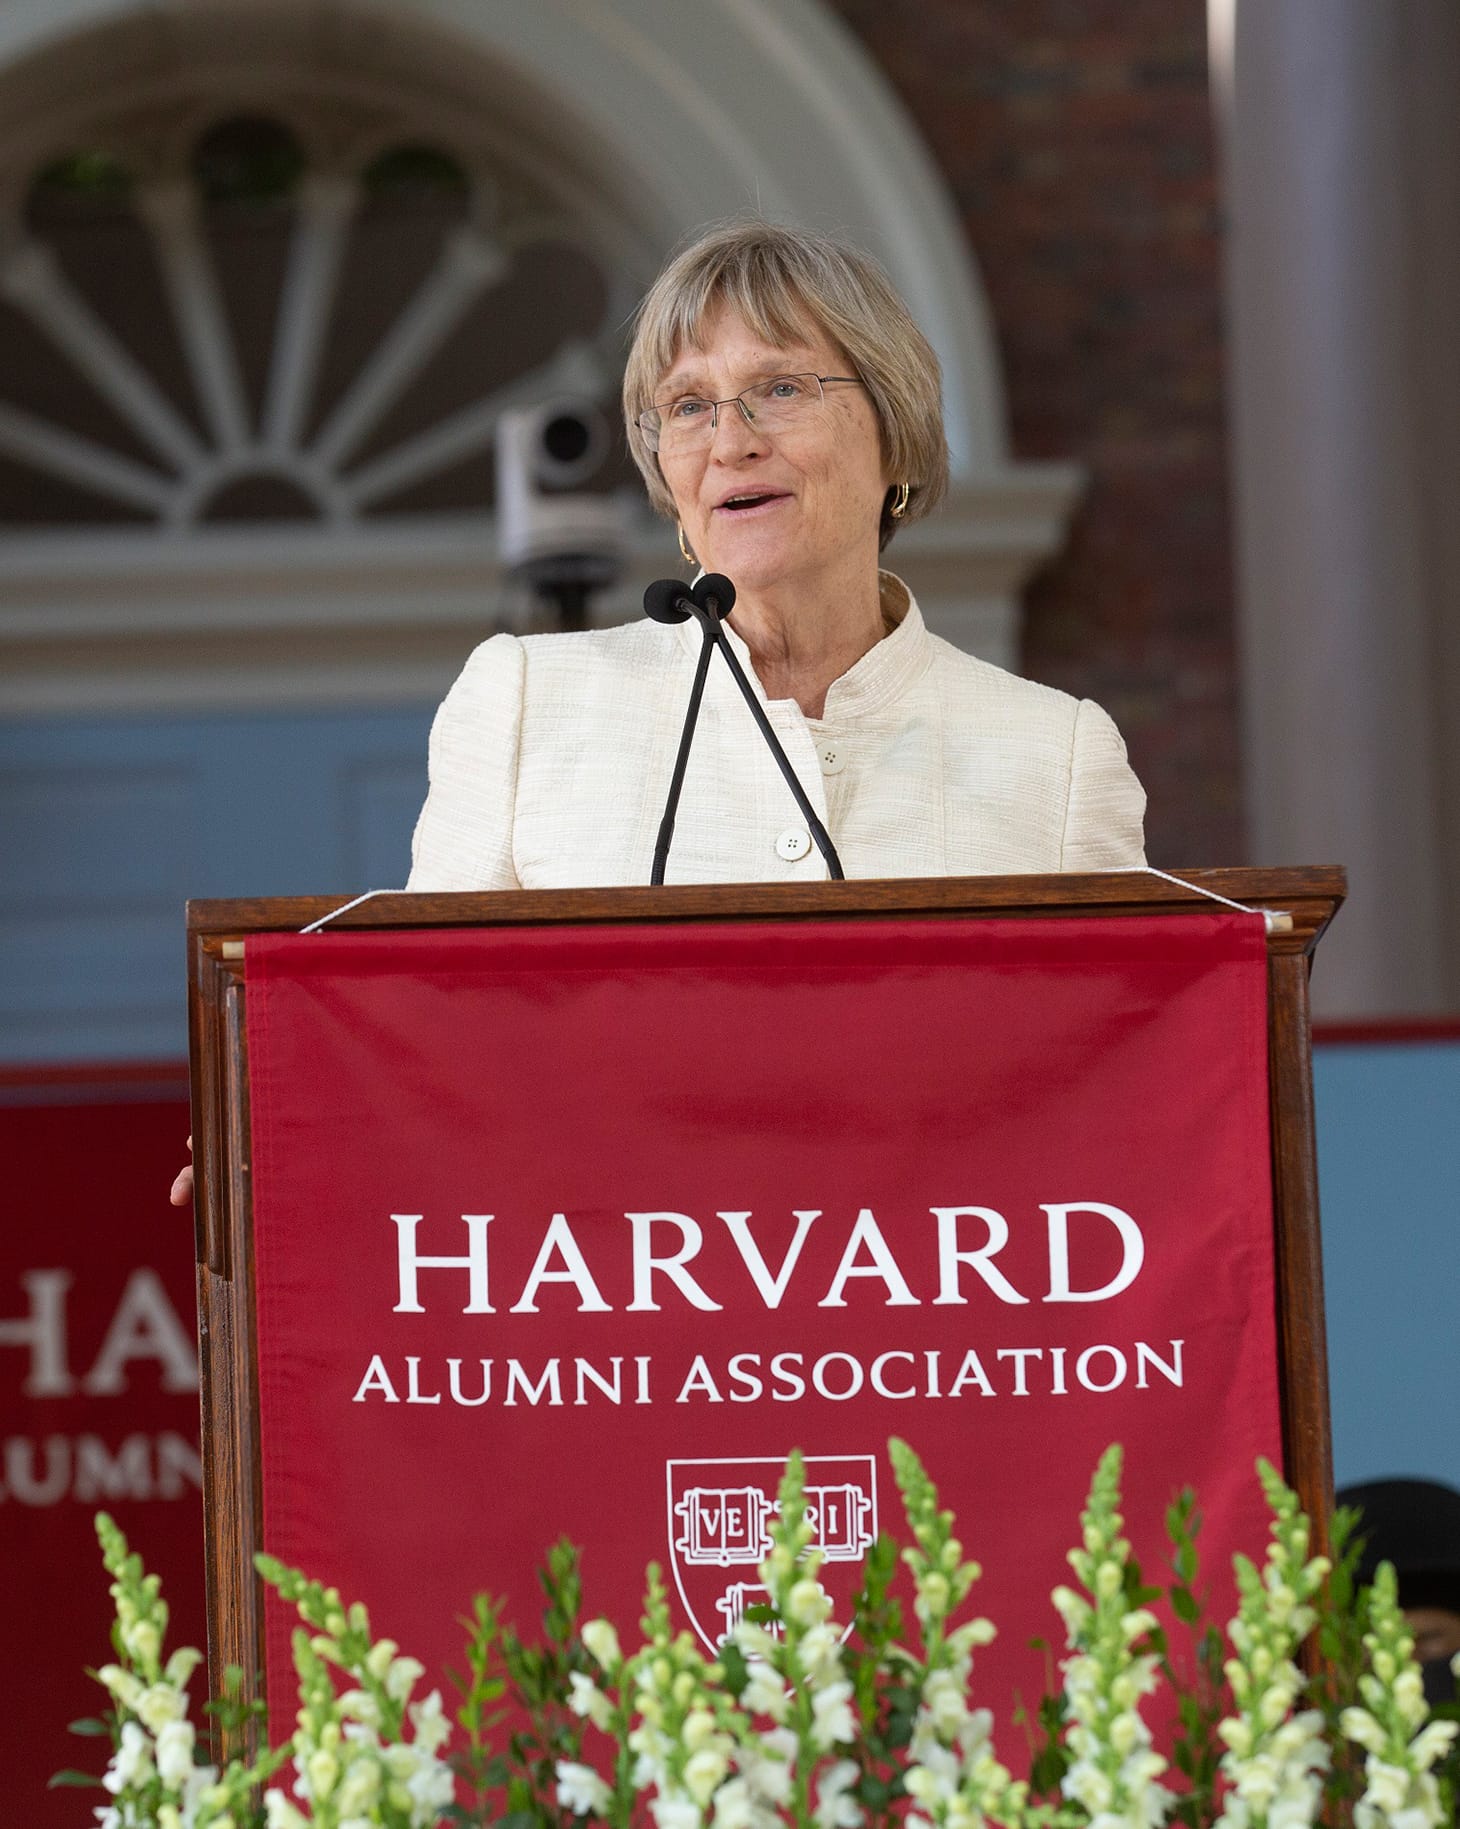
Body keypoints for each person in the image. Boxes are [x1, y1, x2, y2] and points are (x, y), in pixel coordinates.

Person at [170, 219, 1146, 1204]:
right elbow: (426, 1033)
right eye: (686, 406)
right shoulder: (526, 703)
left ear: (894, 432)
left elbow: (1129, 1090)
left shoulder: (1053, 754)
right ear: (670, 485)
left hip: (940, 1326)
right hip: (618, 1319)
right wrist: (288, 1138)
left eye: (780, 387)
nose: (731, 440)